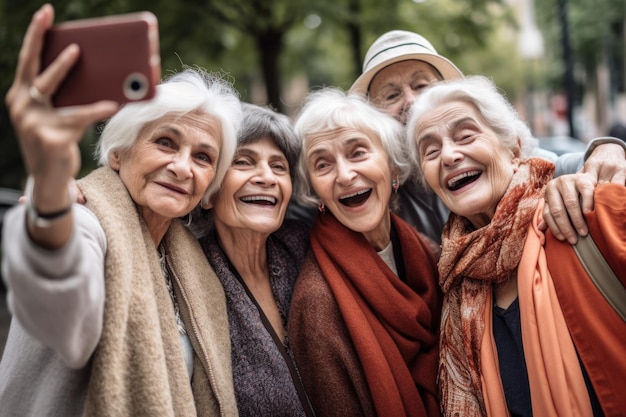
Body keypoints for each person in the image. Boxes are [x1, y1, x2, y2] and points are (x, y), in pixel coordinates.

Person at [0, 5, 242, 416]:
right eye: (165, 142)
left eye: (203, 157)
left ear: (209, 188)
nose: (182, 167)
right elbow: (65, 321)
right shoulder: (83, 219)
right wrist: (50, 195)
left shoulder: (196, 264)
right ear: (118, 154)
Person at [406, 75, 626, 417]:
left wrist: (612, 146)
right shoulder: (456, 283)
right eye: (430, 151)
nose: (448, 155)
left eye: (465, 136)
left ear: (514, 149)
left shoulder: (590, 212)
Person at [346, 29, 626, 245]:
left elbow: (557, 165)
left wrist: (608, 148)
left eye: (421, 85)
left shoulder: (499, 154)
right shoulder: (372, 186)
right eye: (392, 95)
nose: (411, 101)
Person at [288, 88, 442, 417]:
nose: (344, 175)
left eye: (357, 153)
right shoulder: (317, 304)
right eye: (323, 164)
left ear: (393, 168)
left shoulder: (430, 255)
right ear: (314, 190)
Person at [190, 103, 315, 416]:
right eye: (243, 162)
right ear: (208, 192)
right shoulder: (186, 274)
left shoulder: (306, 251)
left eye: (279, 166)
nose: (266, 177)